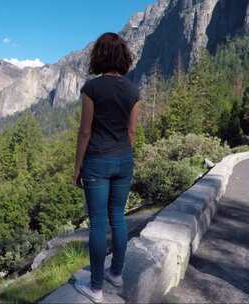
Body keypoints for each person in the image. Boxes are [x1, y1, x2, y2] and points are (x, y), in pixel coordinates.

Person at [72, 32, 140, 303]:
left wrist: (77, 166)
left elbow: (85, 131)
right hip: (124, 160)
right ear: (123, 57)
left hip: (97, 161)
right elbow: (132, 132)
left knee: (98, 223)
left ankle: (96, 287)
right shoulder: (133, 91)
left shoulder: (92, 88)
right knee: (118, 217)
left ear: (98, 56)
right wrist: (122, 154)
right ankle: (116, 273)